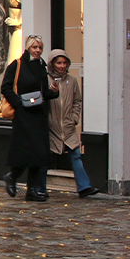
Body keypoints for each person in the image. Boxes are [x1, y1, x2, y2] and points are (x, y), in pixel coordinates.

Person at [1, 35, 59, 201]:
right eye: (34, 47)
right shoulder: (17, 65)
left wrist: (54, 92)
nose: (37, 50)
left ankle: (31, 190)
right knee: (25, 151)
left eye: (40, 48)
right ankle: (12, 176)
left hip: (39, 115)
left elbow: (43, 92)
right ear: (28, 48)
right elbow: (6, 87)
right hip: (24, 116)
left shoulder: (41, 66)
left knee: (39, 153)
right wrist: (18, 103)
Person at [46, 49, 98, 198]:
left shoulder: (72, 80)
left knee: (76, 154)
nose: (62, 66)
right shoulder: (46, 80)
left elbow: (77, 101)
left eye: (64, 63)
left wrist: (75, 118)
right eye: (58, 63)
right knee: (44, 158)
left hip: (68, 125)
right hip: (51, 126)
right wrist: (48, 120)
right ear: (52, 64)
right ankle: (39, 187)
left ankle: (84, 186)